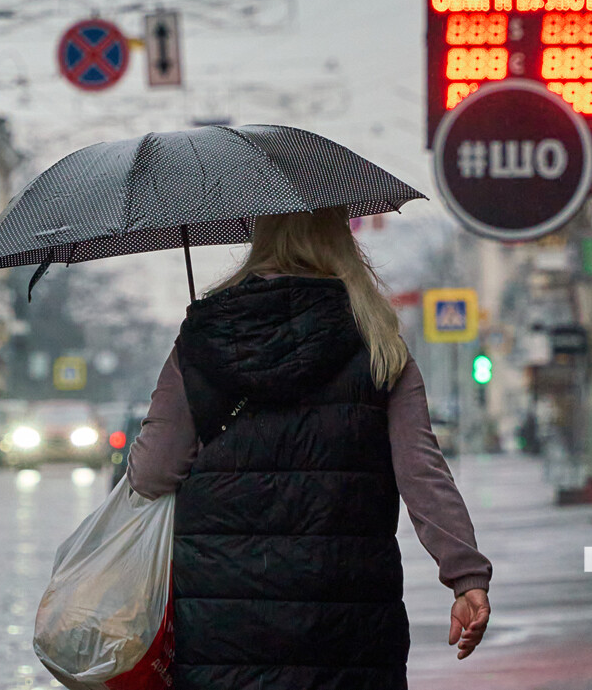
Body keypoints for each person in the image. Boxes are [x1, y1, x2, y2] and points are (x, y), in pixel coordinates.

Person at [128, 206, 493, 690]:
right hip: (346, 619)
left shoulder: (202, 341)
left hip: (225, 624)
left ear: (261, 238)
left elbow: (152, 474)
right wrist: (466, 576)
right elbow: (422, 473)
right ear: (341, 240)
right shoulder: (379, 345)